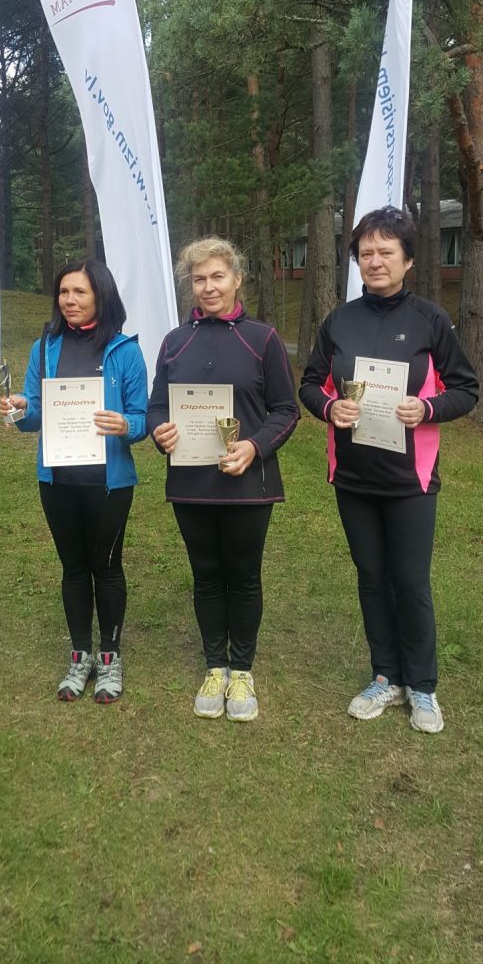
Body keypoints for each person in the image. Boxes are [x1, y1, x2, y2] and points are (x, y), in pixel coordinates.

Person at [299, 207, 478, 734]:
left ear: (408, 260)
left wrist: (427, 408)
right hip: (353, 477)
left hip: (409, 481)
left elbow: (466, 389)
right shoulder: (339, 321)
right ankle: (386, 676)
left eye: (386, 252)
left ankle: (422, 685)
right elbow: (309, 384)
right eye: (366, 253)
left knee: (411, 582)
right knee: (372, 579)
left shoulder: (429, 320)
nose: (375, 261)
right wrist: (329, 407)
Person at [147, 237, 299, 722]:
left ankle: (243, 671)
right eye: (199, 279)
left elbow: (286, 410)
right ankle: (216, 665)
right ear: (190, 286)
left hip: (247, 483)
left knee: (244, 575)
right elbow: (156, 406)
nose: (208, 287)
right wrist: (159, 431)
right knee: (206, 574)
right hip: (191, 483)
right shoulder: (174, 342)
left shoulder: (263, 339)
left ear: (237, 279)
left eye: (217, 276)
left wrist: (254, 446)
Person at [2, 259, 148, 705]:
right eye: (63, 292)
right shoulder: (44, 348)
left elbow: (142, 419)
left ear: (100, 296)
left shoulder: (126, 351)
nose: (69, 300)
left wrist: (126, 425)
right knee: (73, 567)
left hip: (109, 483)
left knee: (107, 566)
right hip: (57, 480)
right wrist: (20, 409)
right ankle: (80, 654)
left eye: (79, 292)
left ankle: (109, 656)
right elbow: (34, 413)